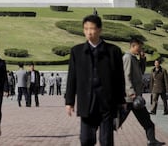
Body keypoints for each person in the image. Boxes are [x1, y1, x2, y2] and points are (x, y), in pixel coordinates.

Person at [65, 14, 125, 146]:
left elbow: (119, 78)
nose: (89, 32)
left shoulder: (113, 51)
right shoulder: (77, 51)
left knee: (106, 141)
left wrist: (121, 101)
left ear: (100, 30)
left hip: (106, 102)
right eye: (86, 29)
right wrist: (69, 101)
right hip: (87, 101)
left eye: (92, 28)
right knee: (86, 139)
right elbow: (72, 77)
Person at [121, 38, 165, 145]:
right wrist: (131, 92)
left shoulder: (134, 58)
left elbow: (140, 72)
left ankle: (152, 141)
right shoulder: (127, 58)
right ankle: (100, 132)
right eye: (139, 47)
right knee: (115, 122)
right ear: (133, 46)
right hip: (130, 98)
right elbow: (126, 77)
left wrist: (142, 60)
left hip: (136, 98)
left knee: (147, 121)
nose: (141, 49)